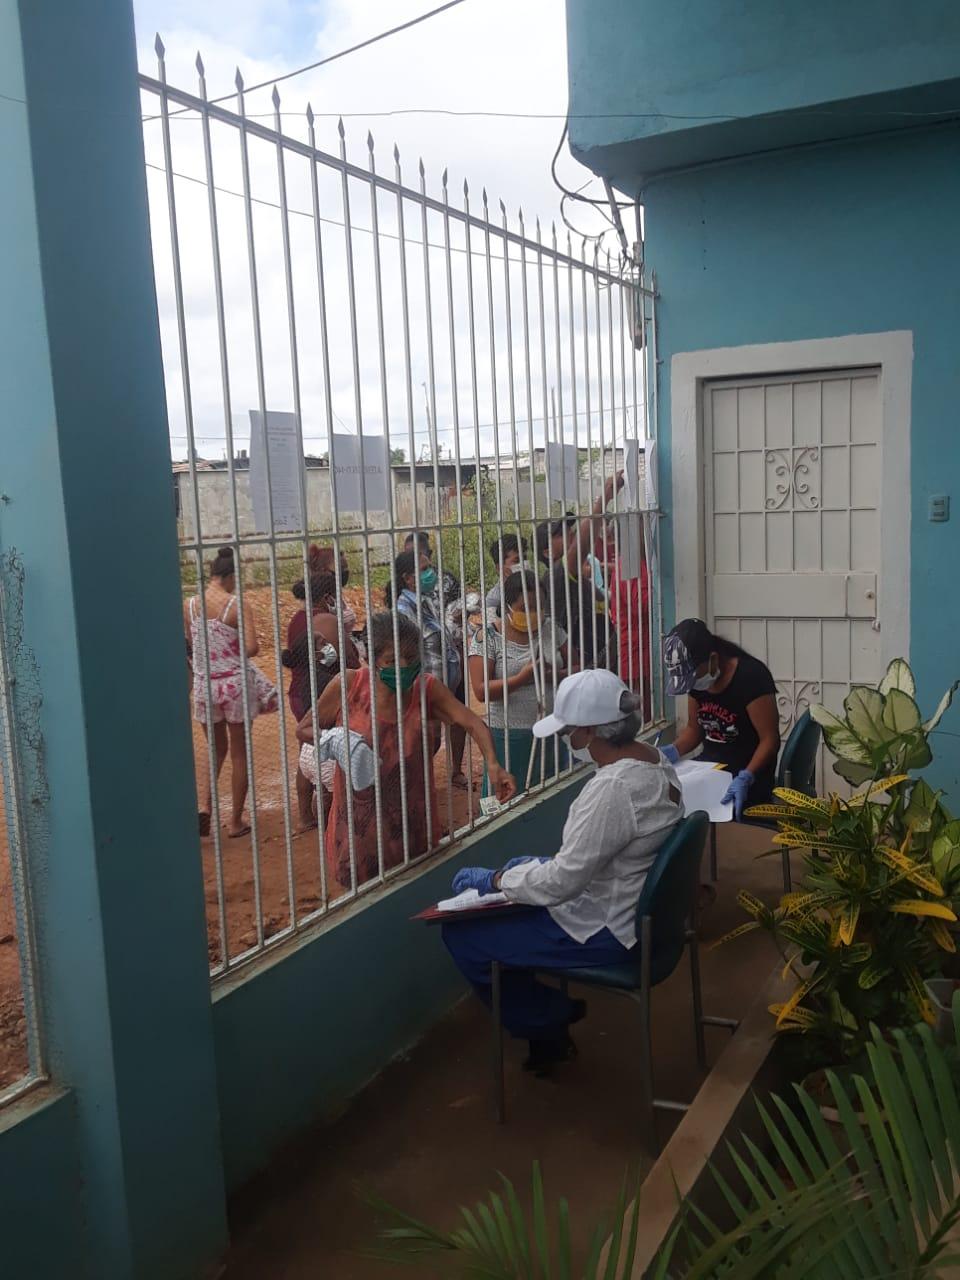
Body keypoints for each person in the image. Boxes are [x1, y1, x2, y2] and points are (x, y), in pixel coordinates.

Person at [442, 668, 683, 1074]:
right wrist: (517, 873)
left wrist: (497, 880)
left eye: (567, 731)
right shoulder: (654, 760)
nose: (566, 740)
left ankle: (547, 1022)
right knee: (520, 874)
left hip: (608, 927)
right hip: (638, 910)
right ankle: (546, 1015)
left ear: (589, 731)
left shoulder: (613, 790)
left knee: (464, 935)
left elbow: (562, 882)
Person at [298, 613, 516, 888]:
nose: (403, 666)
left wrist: (494, 765)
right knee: (361, 899)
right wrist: (336, 740)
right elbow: (304, 729)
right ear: (373, 659)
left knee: (416, 891)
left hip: (412, 823)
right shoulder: (349, 686)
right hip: (358, 828)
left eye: (411, 658)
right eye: (392, 660)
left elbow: (472, 722)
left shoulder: (426, 690)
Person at [184, 545, 278, 838]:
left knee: (215, 749)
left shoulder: (189, 605)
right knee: (239, 753)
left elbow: (192, 641)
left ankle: (205, 807)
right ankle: (236, 821)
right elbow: (252, 647)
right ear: (230, 576)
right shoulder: (236, 605)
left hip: (203, 686)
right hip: (234, 686)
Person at [660, 618, 781, 817]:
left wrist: (747, 776)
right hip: (709, 768)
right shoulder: (696, 684)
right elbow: (693, 731)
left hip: (749, 771)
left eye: (692, 679)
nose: (692, 687)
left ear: (713, 660)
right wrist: (670, 752)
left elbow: (769, 739)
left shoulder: (751, 677)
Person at [468, 570, 572, 795]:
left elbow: (579, 666)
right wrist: (521, 679)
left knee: (548, 794)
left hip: (552, 730)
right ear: (507, 607)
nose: (535, 613)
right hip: (508, 736)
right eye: (526, 608)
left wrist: (554, 676)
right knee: (505, 797)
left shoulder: (549, 628)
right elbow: (480, 690)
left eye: (540, 607)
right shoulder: (488, 637)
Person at [281, 568, 360, 830]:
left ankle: (305, 816)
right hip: (327, 689)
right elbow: (346, 657)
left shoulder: (298, 619)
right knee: (331, 755)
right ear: (328, 596)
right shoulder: (326, 620)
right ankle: (332, 816)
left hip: (302, 690)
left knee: (309, 748)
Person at [392, 548, 468, 784]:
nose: (430, 573)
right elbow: (408, 655)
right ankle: (408, 784)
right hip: (425, 692)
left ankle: (416, 782)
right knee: (426, 740)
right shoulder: (405, 610)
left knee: (433, 738)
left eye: (429, 568)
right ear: (408, 578)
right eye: (423, 570)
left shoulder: (426, 602)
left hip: (442, 689)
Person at [537, 472, 623, 669]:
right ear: (547, 552)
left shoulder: (576, 577)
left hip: (600, 665)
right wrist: (604, 500)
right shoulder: (555, 576)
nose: (569, 532)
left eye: (568, 528)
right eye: (559, 534)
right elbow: (582, 546)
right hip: (582, 673)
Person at [484, 532, 528, 621]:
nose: (523, 564)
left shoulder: (537, 588)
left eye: (525, 558)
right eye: (517, 560)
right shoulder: (494, 600)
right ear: (499, 568)